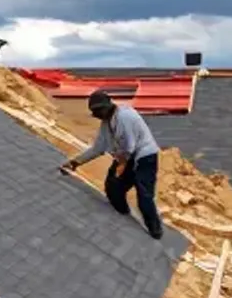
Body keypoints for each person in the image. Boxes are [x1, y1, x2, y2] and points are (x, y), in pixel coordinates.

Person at [61, 90, 165, 240]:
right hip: (126, 157)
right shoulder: (107, 123)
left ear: (106, 107)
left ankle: (155, 230)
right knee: (113, 187)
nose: (97, 115)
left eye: (98, 111)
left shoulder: (125, 116)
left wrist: (121, 165)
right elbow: (98, 148)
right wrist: (75, 162)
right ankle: (123, 213)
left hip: (144, 157)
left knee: (144, 195)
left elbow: (129, 145)